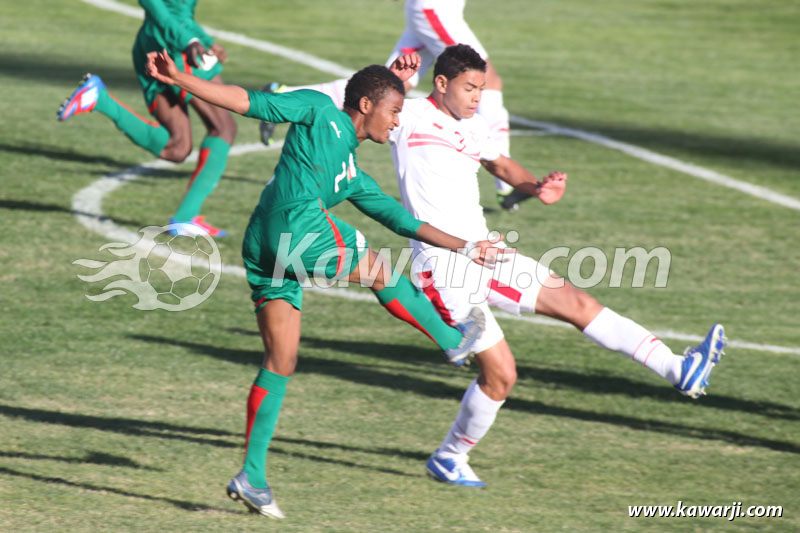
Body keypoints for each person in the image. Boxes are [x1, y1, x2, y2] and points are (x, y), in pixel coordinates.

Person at [146, 49, 511, 518]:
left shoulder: (352, 175)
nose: (398, 123)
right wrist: (181, 77)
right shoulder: (319, 111)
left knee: (281, 359)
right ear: (364, 106)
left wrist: (465, 247)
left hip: (262, 244)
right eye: (395, 111)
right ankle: (451, 340)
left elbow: (401, 219)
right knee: (377, 266)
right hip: (293, 228)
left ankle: (252, 476)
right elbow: (248, 102)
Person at [387, 45, 727, 487]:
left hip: (488, 252)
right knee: (502, 374)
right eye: (470, 88)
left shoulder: (474, 125)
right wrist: (393, 79)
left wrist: (535, 187)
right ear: (442, 83)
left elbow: (499, 162)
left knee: (577, 302)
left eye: (482, 88)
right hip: (446, 267)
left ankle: (680, 370)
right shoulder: (410, 118)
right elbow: (357, 112)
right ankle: (450, 457)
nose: (477, 97)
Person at [259, 0, 533, 211]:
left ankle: (282, 95)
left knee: (392, 85)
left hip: (435, 10)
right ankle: (506, 186)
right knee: (488, 79)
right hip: (434, 9)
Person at [57, 0, 236, 236]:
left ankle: (99, 100)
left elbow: (178, 12)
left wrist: (205, 39)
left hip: (155, 44)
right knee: (223, 128)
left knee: (177, 147)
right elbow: (160, 11)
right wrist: (191, 41)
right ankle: (185, 216)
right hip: (173, 49)